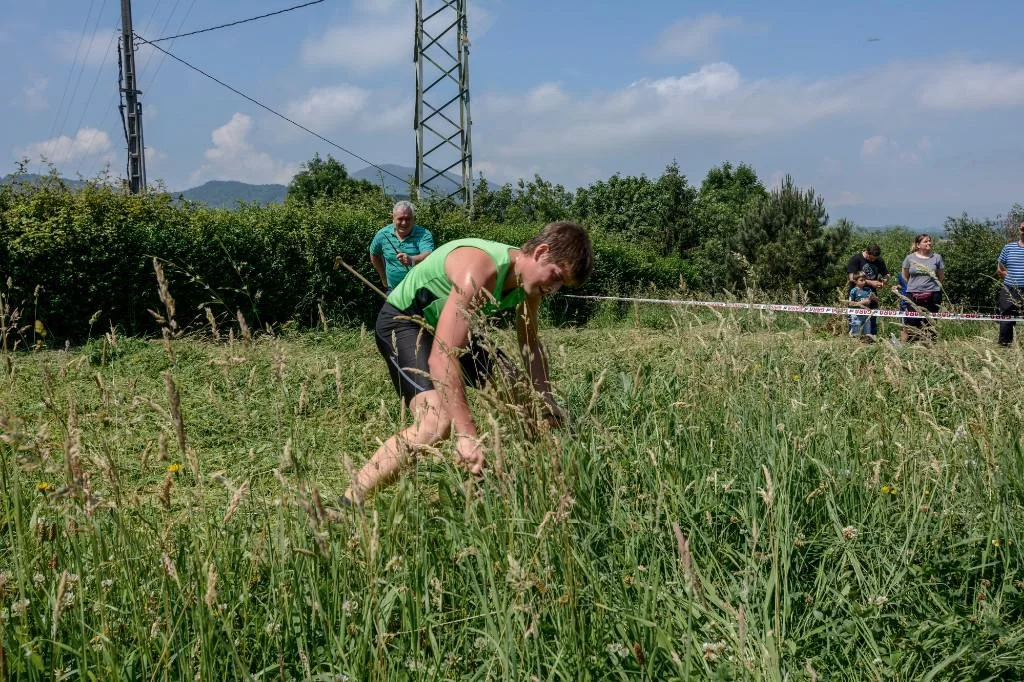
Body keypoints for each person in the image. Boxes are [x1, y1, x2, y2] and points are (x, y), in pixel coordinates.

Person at [341, 222, 595, 507]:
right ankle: (348, 503)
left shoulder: (530, 285)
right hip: (405, 322)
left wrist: (545, 398)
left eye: (562, 285)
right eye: (557, 276)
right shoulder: (481, 269)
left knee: (524, 395)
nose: (554, 289)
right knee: (437, 423)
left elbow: (530, 342)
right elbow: (443, 355)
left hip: (451, 327)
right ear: (541, 252)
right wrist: (467, 435)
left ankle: (531, 484)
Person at [369, 201, 435, 292]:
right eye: (400, 219)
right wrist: (383, 277)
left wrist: (412, 259)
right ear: (393, 218)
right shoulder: (383, 234)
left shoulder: (424, 234)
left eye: (408, 219)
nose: (404, 223)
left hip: (419, 290)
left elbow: (428, 255)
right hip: (393, 290)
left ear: (413, 219)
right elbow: (374, 254)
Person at [901, 234, 945, 342]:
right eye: (925, 241)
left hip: (933, 294)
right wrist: (915, 285)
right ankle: (913, 344)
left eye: (929, 241)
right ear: (918, 245)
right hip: (913, 294)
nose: (929, 243)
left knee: (930, 322)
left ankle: (929, 345)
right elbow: (905, 276)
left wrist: (932, 286)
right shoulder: (909, 258)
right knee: (912, 321)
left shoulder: (937, 257)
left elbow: (941, 277)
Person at [846, 244, 889, 337]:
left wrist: (884, 281)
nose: (873, 260)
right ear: (867, 252)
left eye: (875, 259)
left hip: (871, 294)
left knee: (871, 321)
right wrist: (871, 282)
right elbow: (851, 278)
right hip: (856, 295)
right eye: (871, 258)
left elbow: (886, 274)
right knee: (855, 322)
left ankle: (870, 339)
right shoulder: (856, 259)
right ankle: (854, 339)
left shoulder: (879, 260)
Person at [995, 220, 1024, 346]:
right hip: (1009, 289)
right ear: (1019, 229)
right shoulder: (1008, 247)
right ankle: (1004, 346)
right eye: (1022, 228)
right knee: (1006, 318)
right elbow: (999, 268)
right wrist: (1007, 276)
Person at [848, 272, 876, 340]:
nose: (864, 282)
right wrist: (862, 302)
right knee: (855, 334)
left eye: (864, 280)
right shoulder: (853, 291)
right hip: (856, 316)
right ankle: (854, 344)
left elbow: (876, 299)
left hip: (867, 315)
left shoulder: (868, 290)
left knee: (867, 334)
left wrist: (874, 297)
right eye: (861, 280)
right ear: (855, 281)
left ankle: (866, 344)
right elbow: (850, 304)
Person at [890, 271, 910, 343]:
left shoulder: (915, 273)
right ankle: (903, 345)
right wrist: (896, 287)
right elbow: (901, 285)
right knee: (902, 325)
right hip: (903, 303)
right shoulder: (900, 274)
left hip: (913, 302)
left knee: (908, 325)